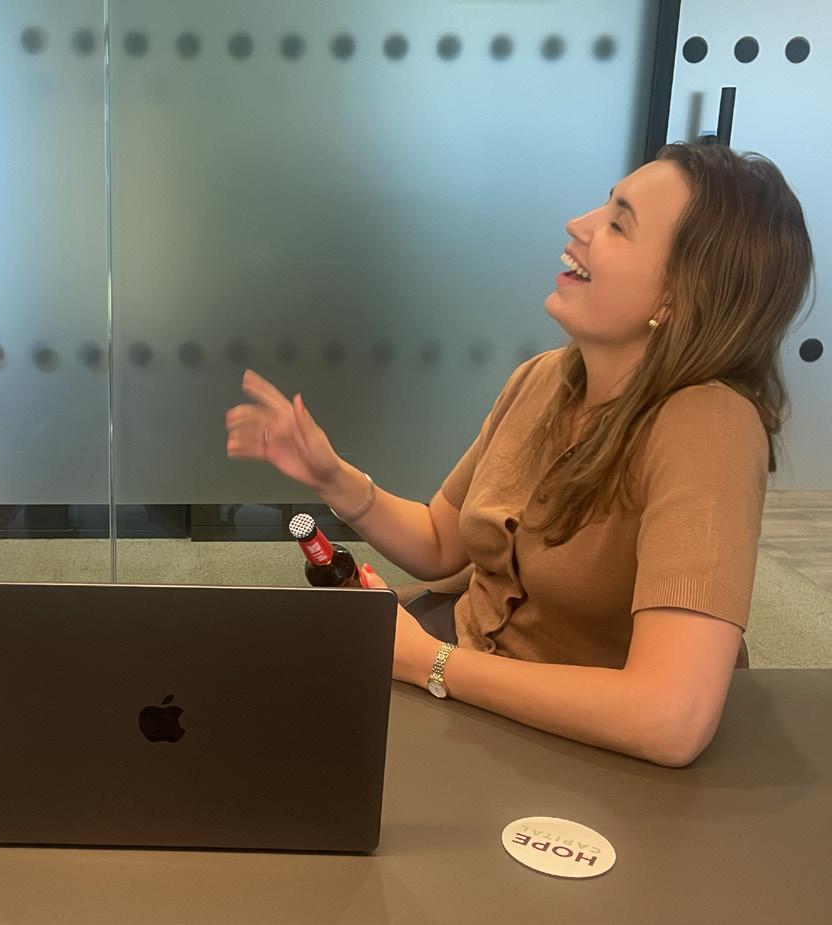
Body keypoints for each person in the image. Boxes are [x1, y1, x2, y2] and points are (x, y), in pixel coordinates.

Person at [226, 140, 814, 767]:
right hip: (461, 659)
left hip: (566, 743)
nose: (578, 224)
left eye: (619, 224)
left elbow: (670, 719)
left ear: (678, 297)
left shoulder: (710, 427)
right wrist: (331, 477)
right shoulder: (543, 378)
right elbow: (440, 543)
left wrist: (429, 662)